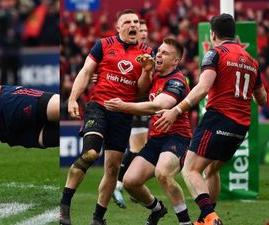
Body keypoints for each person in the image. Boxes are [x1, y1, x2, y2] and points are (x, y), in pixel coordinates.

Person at [154, 14, 267, 225]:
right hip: (241, 126)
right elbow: (262, 99)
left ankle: (210, 216)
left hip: (218, 118)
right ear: (234, 34)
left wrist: (177, 110)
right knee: (211, 169)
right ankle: (203, 219)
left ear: (213, 34)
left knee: (190, 169)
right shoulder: (251, 60)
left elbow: (203, 88)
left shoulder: (215, 53)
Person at [60, 9, 153, 225]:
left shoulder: (147, 52)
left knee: (112, 167)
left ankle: (98, 218)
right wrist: (73, 98)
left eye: (136, 22)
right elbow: (85, 71)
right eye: (128, 22)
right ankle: (64, 206)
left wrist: (147, 71)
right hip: (98, 107)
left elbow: (139, 92)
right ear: (118, 27)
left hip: (123, 114)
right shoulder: (103, 45)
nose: (133, 25)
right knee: (91, 153)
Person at [105, 38, 192, 225]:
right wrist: (145, 70)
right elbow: (137, 90)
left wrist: (124, 106)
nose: (158, 55)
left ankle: (185, 222)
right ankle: (157, 209)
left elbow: (158, 105)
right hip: (156, 139)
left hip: (177, 137)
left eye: (165, 53)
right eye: (159, 51)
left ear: (175, 61)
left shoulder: (176, 81)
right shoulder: (155, 77)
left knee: (163, 173)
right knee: (130, 181)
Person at [112, 19, 152, 209]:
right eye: (140, 30)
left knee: (139, 146)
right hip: (132, 104)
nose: (143, 33)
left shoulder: (148, 53)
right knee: (137, 146)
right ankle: (120, 185)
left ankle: (129, 185)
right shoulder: (131, 53)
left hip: (144, 104)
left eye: (145, 30)